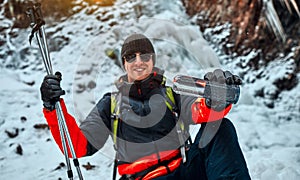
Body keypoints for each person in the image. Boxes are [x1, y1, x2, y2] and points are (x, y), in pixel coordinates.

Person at [40, 33, 251, 180]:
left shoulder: (172, 93)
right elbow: (76, 146)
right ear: (124, 63)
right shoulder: (111, 104)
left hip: (184, 172)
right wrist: (52, 108)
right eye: (131, 57)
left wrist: (216, 98)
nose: (138, 61)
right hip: (140, 177)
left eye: (145, 56)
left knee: (220, 127)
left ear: (153, 60)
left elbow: (201, 110)